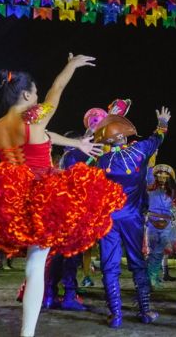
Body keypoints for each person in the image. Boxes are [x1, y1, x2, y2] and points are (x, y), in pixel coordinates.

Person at [0, 55, 124, 337]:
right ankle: (26, 334)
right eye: (36, 93)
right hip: (41, 197)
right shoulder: (35, 116)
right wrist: (71, 66)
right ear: (27, 94)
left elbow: (44, 133)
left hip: (4, 197)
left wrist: (76, 142)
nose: (39, 96)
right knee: (35, 265)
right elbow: (58, 89)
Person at [95, 100, 170, 327]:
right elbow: (157, 138)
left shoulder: (101, 162)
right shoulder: (139, 151)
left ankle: (116, 315)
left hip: (108, 220)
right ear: (123, 136)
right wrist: (162, 123)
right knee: (138, 263)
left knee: (110, 266)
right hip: (132, 218)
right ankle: (145, 311)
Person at [42, 107, 108, 312]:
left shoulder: (74, 153)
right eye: (95, 120)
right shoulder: (76, 153)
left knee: (61, 255)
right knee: (70, 255)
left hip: (66, 210)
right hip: (73, 211)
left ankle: (50, 295)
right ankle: (68, 295)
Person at [147, 164, 176, 288]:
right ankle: (149, 279)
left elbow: (172, 208)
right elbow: (149, 172)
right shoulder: (150, 187)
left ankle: (153, 276)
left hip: (167, 224)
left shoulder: (172, 191)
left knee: (159, 253)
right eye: (159, 175)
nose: (162, 178)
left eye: (165, 176)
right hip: (152, 222)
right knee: (151, 251)